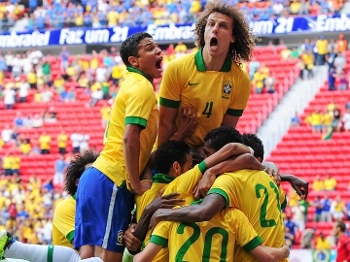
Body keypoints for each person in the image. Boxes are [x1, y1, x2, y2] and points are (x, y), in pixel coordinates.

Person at [75, 32, 163, 262]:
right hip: (113, 179)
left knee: (88, 256)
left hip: (99, 176)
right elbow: (129, 138)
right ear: (134, 61)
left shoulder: (133, 84)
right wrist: (134, 183)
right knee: (110, 258)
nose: (159, 51)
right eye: (150, 48)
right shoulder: (142, 87)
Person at [150, 126, 287, 262]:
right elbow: (282, 202)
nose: (205, 158)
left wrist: (162, 213)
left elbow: (204, 211)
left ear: (223, 155)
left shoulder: (227, 180)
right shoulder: (268, 177)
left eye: (208, 154)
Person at [158, 1, 256, 148]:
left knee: (250, 155)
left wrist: (206, 161)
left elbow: (226, 133)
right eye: (211, 24)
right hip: (175, 148)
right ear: (204, 31)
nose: (215, 29)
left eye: (223, 26)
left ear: (233, 37)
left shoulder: (241, 81)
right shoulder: (176, 68)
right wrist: (162, 165)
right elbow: (165, 124)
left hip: (209, 152)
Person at [0, 151, 104, 262]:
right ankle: (12, 250)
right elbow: (87, 254)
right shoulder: (67, 207)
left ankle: (13, 249)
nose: (96, 178)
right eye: (91, 174)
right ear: (78, 182)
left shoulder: (104, 205)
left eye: (99, 174)